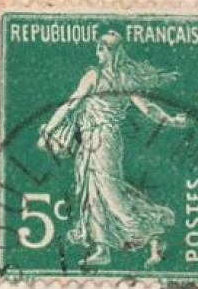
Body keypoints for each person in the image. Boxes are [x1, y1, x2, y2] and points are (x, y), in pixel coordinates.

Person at [38, 32, 188, 268]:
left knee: (111, 193)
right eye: (98, 48)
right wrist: (171, 120)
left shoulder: (100, 77)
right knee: (93, 192)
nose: (98, 53)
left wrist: (49, 130)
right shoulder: (115, 77)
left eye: (102, 49)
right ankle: (102, 248)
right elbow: (146, 108)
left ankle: (154, 233)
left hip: (104, 141)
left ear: (113, 51)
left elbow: (72, 105)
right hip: (92, 140)